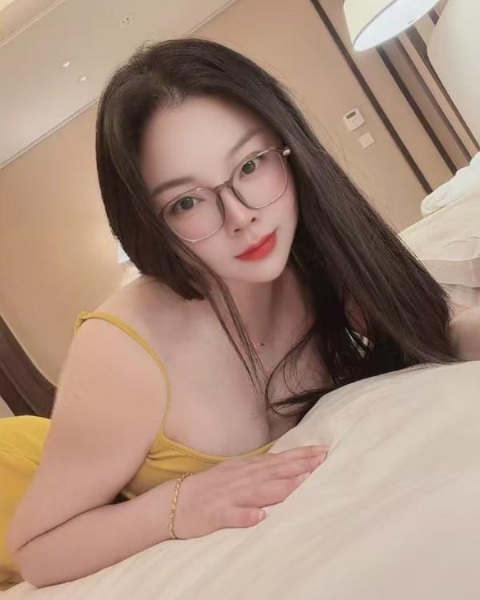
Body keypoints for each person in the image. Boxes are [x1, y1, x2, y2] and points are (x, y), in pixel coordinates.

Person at [1, 37, 460, 589]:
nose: (242, 216)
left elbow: (431, 332)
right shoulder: (124, 351)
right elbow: (38, 551)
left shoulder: (317, 260)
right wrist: (178, 503)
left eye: (250, 165)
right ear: (149, 222)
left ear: (288, 148)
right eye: (186, 201)